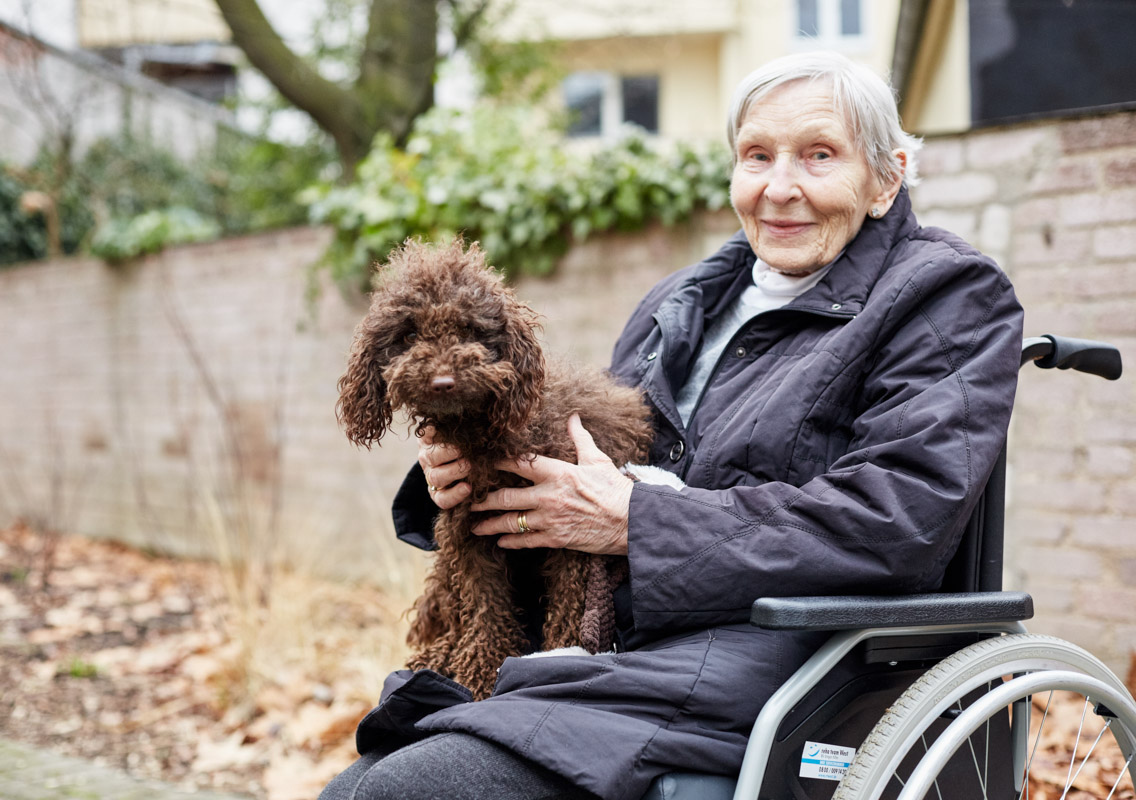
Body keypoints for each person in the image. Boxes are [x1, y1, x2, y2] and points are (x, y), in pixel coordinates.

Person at [318, 50, 1024, 800]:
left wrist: (639, 522)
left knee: (408, 791)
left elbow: (894, 518)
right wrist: (456, 475)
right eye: (757, 155)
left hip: (784, 649)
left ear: (887, 178)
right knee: (361, 786)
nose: (780, 187)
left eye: (820, 156)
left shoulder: (946, 295)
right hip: (613, 637)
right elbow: (584, 442)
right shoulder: (679, 300)